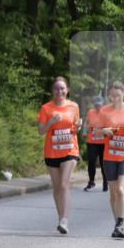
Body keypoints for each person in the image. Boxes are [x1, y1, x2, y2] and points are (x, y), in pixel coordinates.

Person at [36, 77, 81, 234]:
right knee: (56, 187)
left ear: (67, 90)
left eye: (62, 88)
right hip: (52, 151)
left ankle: (65, 220)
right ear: (52, 91)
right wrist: (51, 122)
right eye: (56, 88)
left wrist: (79, 126)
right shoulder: (46, 108)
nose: (59, 91)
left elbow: (75, 128)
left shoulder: (74, 106)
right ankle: (61, 217)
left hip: (70, 150)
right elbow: (41, 131)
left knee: (63, 184)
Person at [97, 81, 124, 240]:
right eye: (112, 95)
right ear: (109, 95)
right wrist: (104, 131)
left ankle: (120, 224)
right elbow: (96, 132)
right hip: (110, 156)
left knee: (121, 189)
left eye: (118, 94)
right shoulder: (104, 111)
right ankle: (117, 224)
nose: (115, 97)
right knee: (113, 192)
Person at [83, 95, 108, 192]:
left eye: (99, 105)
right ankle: (91, 182)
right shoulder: (90, 112)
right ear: (94, 104)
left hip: (103, 142)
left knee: (103, 163)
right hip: (92, 141)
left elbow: (110, 125)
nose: (98, 106)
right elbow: (86, 123)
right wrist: (85, 132)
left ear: (102, 104)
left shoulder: (106, 113)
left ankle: (105, 183)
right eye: (96, 105)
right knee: (91, 162)